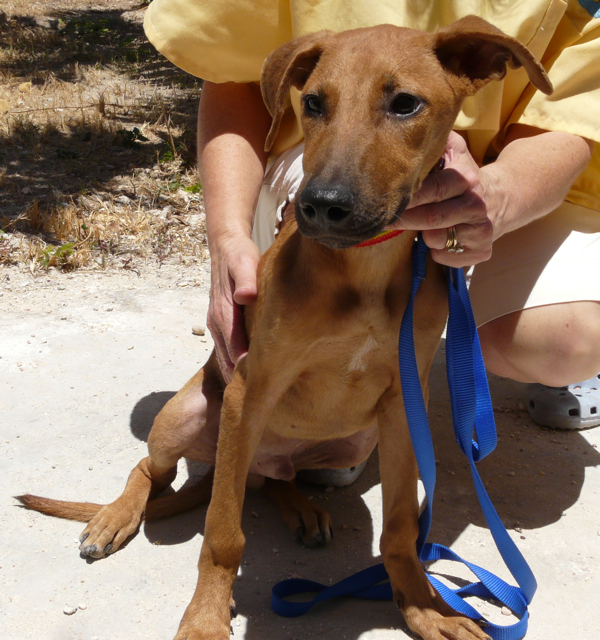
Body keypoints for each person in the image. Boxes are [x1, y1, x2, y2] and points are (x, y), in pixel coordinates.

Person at [143, 1, 600, 438]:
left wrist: (497, 196)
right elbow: (231, 78)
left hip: (514, 165)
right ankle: (335, 400)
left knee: (565, 338)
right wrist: (228, 235)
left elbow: (570, 108)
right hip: (313, 162)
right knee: (335, 228)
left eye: (402, 104)